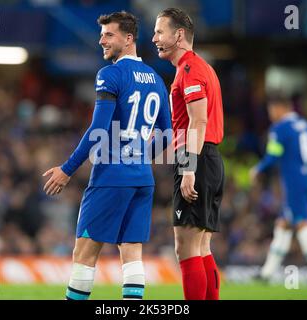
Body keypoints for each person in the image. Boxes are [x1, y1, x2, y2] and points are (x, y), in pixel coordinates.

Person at [43, 11, 171, 300]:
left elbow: (97, 129)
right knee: (132, 253)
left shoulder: (110, 74)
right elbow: (168, 134)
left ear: (128, 39)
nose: (102, 40)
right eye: (101, 34)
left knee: (85, 251)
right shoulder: (156, 80)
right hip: (142, 179)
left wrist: (67, 169)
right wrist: (139, 159)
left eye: (108, 35)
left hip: (111, 176)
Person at [152, 8, 225, 300]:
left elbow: (199, 121)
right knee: (201, 247)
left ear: (178, 35)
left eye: (160, 31)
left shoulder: (190, 70)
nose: (155, 38)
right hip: (208, 157)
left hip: (197, 160)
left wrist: (188, 168)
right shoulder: (201, 68)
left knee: (185, 247)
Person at [250, 93, 307, 285]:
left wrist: (258, 169)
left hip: (293, 182)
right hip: (306, 178)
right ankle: (266, 273)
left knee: (303, 224)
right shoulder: (305, 125)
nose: (270, 114)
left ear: (280, 108)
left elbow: (273, 154)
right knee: (283, 226)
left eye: (271, 110)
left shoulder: (280, 128)